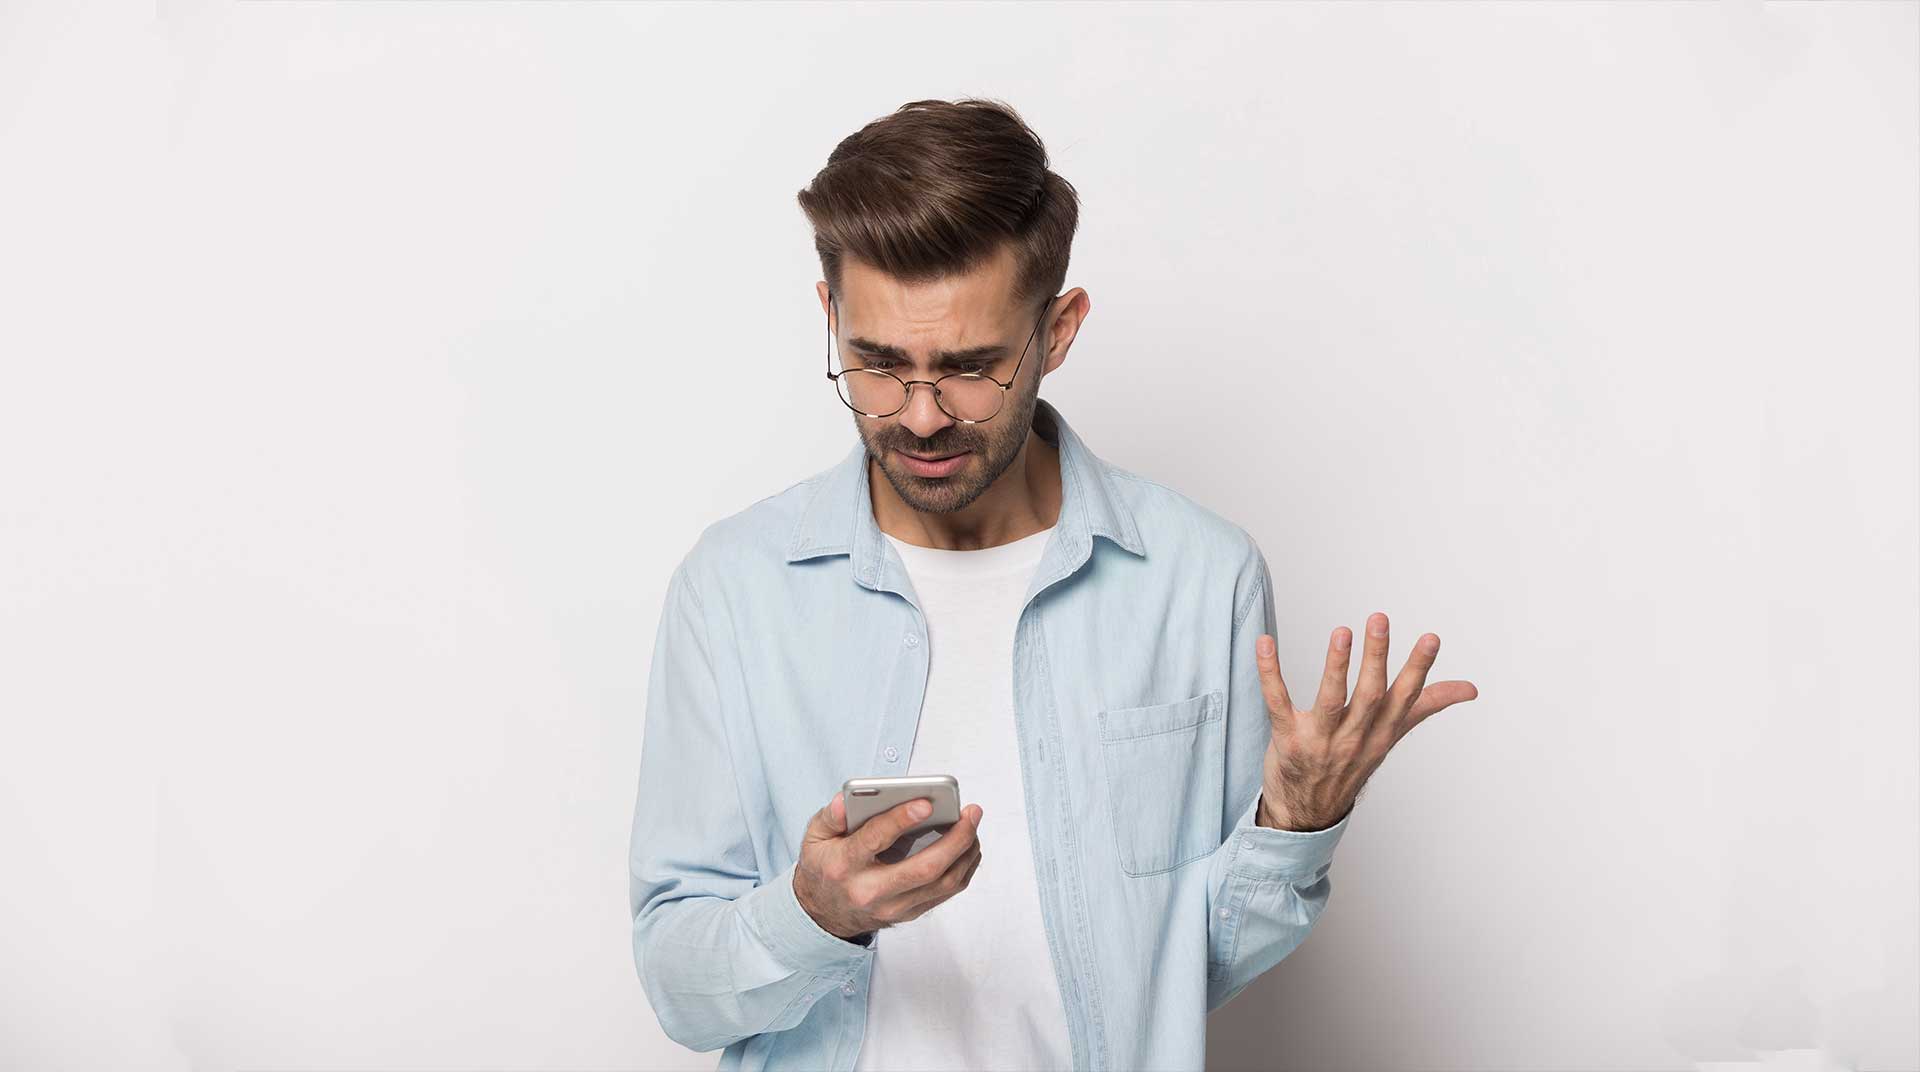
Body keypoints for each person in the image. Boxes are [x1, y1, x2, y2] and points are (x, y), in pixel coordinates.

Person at [627, 97, 1479, 1072]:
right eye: (875, 364)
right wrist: (811, 914)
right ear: (831, 317)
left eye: (972, 367)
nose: (921, 415)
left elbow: (1177, 973)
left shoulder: (1200, 576)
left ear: (1059, 330)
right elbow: (677, 985)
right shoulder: (736, 589)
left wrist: (1295, 823)